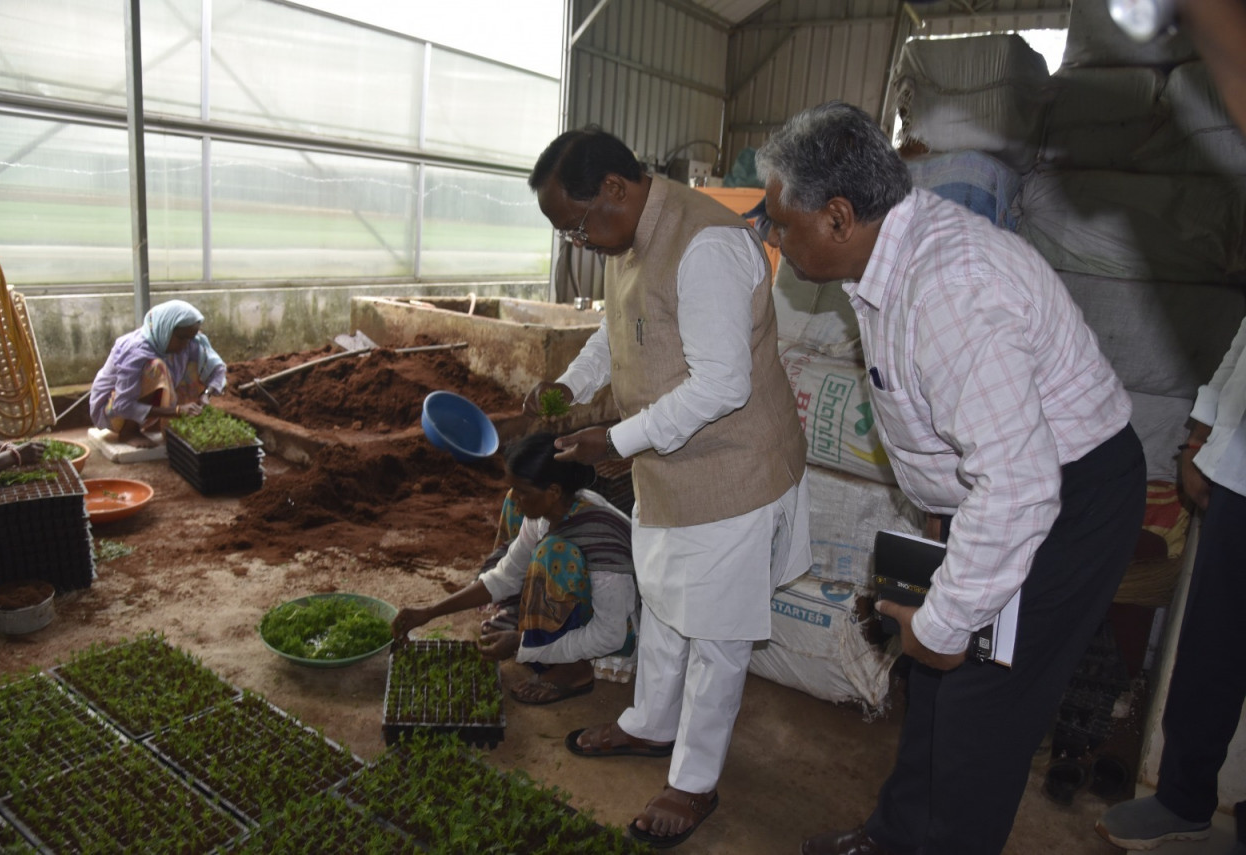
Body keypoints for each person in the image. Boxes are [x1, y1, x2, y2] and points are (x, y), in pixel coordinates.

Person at [755, 102, 1147, 855]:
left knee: (978, 703)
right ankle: (896, 837)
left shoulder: (946, 289)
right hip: (1002, 488)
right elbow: (961, 430)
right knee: (931, 681)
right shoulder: (887, 254)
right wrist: (941, 522)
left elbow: (1021, 484)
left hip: (1065, 498)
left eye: (781, 220)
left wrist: (944, 622)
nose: (775, 235)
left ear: (838, 216)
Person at [524, 125, 810, 848]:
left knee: (716, 633)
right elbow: (618, 331)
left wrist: (612, 440)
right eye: (568, 233)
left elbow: (722, 383)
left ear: (616, 189)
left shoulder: (705, 244)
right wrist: (570, 385)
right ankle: (650, 724)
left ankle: (695, 780)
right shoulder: (626, 236)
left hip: (732, 472)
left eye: (580, 223)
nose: (581, 241)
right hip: (670, 468)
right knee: (664, 603)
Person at [1095, 2, 1246, 851]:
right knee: (1213, 649)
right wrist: (1201, 433)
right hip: (1241, 476)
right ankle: (1187, 795)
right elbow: (1244, 347)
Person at [390, 432, 637, 705]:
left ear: (553, 492)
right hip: (584, 604)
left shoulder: (599, 533)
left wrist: (522, 643)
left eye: (524, 493)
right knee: (524, 523)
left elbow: (610, 634)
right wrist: (430, 612)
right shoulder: (548, 513)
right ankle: (537, 635)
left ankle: (574, 669)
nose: (518, 499)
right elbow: (505, 577)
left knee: (553, 553)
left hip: (618, 631)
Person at [89, 300, 226, 447]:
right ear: (166, 329)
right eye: (181, 338)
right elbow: (122, 405)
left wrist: (206, 394)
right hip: (113, 410)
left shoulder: (188, 342)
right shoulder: (135, 350)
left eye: (189, 338)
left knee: (200, 362)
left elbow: (217, 369)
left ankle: (166, 423)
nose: (186, 344)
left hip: (141, 407)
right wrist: (177, 410)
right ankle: (129, 431)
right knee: (155, 368)